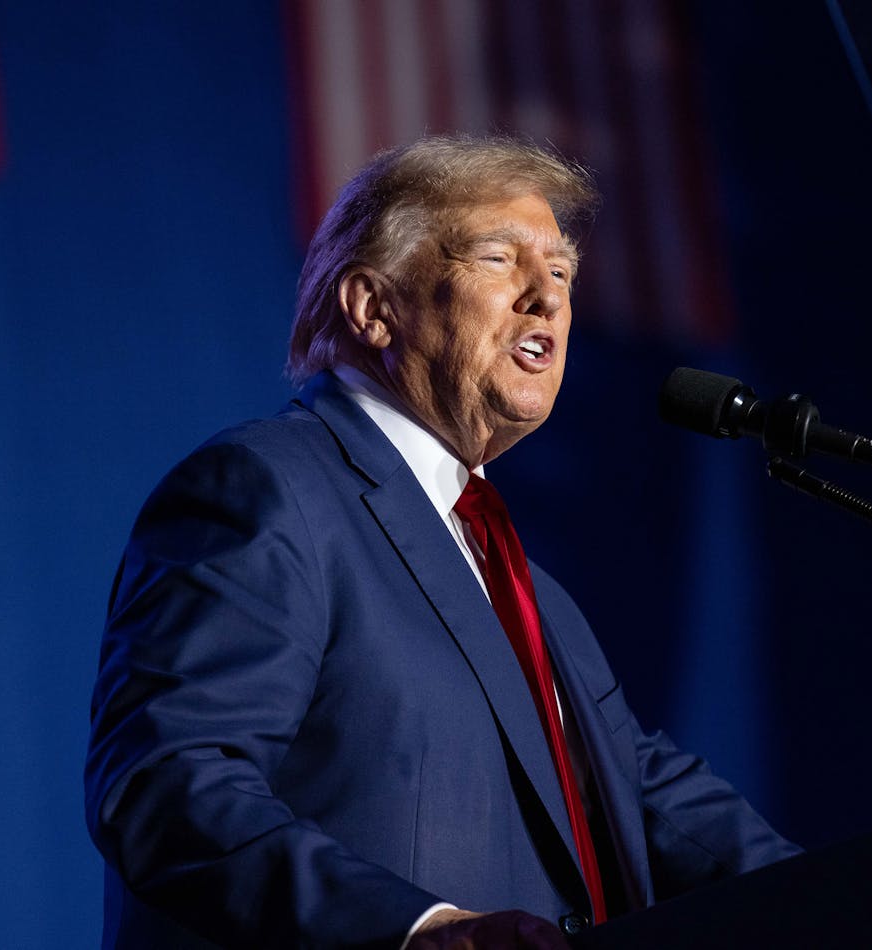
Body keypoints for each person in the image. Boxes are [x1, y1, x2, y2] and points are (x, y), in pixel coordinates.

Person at [84, 134, 798, 950]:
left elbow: (649, 796)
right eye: (500, 258)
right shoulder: (265, 491)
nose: (548, 298)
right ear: (371, 307)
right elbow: (167, 784)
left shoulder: (533, 595)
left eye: (561, 271)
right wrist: (419, 931)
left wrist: (859, 904)